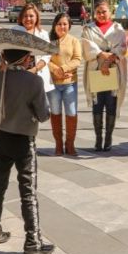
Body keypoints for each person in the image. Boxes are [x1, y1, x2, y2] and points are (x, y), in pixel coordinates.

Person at [0, 29, 56, 254]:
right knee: (27, 191)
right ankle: (32, 241)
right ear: (26, 58)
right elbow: (43, 115)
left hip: (2, 137)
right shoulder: (33, 81)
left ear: (4, 57)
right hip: (24, 140)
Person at [81, 0, 128, 151]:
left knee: (111, 103)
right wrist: (101, 53)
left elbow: (122, 47)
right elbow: (87, 46)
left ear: (110, 12)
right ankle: (98, 138)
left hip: (114, 70)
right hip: (95, 70)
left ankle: (108, 138)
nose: (101, 14)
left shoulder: (118, 28)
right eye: (98, 12)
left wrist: (110, 58)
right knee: (97, 104)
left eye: (104, 11)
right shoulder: (88, 28)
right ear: (94, 13)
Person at [47, 12, 82, 156]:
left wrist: (63, 69)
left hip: (70, 83)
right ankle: (59, 145)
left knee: (71, 113)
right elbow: (44, 59)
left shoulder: (74, 41)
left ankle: (70, 144)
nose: (62, 27)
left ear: (69, 26)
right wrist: (56, 71)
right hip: (53, 84)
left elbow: (77, 59)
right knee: (55, 112)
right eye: (59, 24)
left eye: (65, 24)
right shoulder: (49, 41)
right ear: (55, 25)